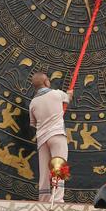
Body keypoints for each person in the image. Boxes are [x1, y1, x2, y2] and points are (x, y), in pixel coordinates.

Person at [29, 72, 73, 203]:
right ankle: (57, 199)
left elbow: (33, 123)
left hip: (42, 139)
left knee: (44, 171)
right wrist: (70, 93)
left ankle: (43, 199)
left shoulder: (33, 103)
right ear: (46, 82)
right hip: (57, 135)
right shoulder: (56, 94)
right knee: (59, 167)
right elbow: (68, 97)